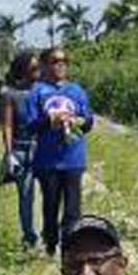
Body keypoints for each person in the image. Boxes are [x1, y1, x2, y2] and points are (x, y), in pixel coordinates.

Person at [25, 49, 94, 256]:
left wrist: (80, 122)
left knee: (73, 209)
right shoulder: (37, 92)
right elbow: (30, 126)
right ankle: (51, 243)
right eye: (55, 61)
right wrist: (50, 121)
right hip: (47, 162)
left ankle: (70, 246)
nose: (60, 65)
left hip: (73, 158)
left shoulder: (76, 90)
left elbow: (88, 120)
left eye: (64, 61)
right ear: (45, 65)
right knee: (51, 205)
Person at [0, 51, 42, 252]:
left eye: (38, 67)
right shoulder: (10, 95)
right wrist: (9, 154)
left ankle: (52, 234)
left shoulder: (42, 91)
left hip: (43, 149)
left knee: (52, 194)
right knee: (26, 197)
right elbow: (7, 126)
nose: (38, 71)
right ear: (23, 70)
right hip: (21, 150)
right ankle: (29, 237)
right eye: (34, 68)